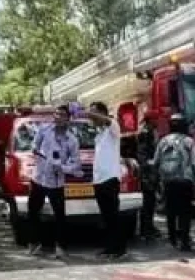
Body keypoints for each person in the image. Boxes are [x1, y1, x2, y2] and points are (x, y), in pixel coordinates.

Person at [27, 104, 80, 257]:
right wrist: (37, 152)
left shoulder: (72, 140)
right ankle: (33, 243)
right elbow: (34, 146)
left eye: (62, 115)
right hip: (39, 177)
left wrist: (62, 168)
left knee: (59, 216)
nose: (58, 117)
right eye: (56, 114)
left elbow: (76, 163)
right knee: (33, 211)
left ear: (68, 119)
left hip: (56, 182)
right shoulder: (44, 130)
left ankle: (60, 247)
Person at [84, 101, 126, 259]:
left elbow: (106, 120)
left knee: (113, 215)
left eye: (94, 112)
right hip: (99, 180)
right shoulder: (100, 134)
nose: (92, 116)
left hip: (110, 179)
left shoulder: (113, 128)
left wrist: (86, 112)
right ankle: (109, 247)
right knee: (106, 217)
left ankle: (120, 248)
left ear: (102, 113)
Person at [154, 114, 195, 250]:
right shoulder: (188, 141)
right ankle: (184, 242)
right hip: (185, 181)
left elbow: (156, 161)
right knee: (185, 213)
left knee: (171, 212)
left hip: (168, 181)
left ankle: (172, 240)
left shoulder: (163, 141)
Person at [136, 117, 162, 240]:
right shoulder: (145, 135)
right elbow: (143, 157)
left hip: (149, 174)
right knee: (148, 203)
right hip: (147, 175)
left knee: (150, 203)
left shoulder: (146, 133)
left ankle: (148, 227)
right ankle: (146, 229)